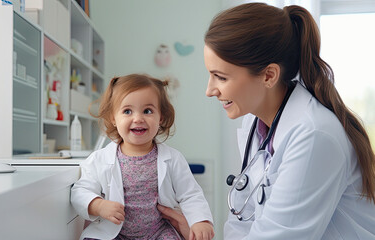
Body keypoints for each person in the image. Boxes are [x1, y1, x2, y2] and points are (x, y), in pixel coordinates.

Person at [158, 2, 375, 239]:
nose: (210, 90)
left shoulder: (313, 136)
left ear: (269, 75)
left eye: (220, 77)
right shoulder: (255, 126)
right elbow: (243, 222)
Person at [71, 74, 214, 240]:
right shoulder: (100, 159)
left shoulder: (173, 158)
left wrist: (200, 221)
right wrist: (99, 205)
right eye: (127, 111)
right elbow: (81, 190)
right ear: (113, 118)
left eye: (147, 111)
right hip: (116, 233)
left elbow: (190, 194)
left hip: (158, 232)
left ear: (160, 117)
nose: (138, 118)